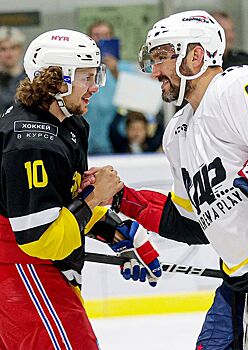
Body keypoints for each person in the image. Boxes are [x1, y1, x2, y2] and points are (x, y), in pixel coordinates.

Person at [83, 10, 248, 350]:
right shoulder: (177, 133)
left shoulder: (237, 86)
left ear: (195, 55)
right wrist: (121, 198)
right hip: (237, 281)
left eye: (161, 58)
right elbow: (190, 224)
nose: (154, 72)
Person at [0, 29, 161, 349]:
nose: (96, 87)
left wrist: (116, 231)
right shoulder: (30, 141)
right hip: (20, 270)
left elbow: (64, 205)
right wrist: (96, 197)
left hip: (37, 268)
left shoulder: (71, 123)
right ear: (57, 80)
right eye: (87, 77)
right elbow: (41, 238)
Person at [85, 20, 138, 154]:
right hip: (88, 137)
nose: (101, 39)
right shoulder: (84, 69)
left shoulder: (126, 69)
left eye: (106, 35)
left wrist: (115, 71)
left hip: (117, 139)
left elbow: (135, 99)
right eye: (96, 35)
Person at [0, 26, 26, 115]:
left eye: (13, 48)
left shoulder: (31, 78)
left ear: (20, 50)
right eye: (3, 49)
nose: (9, 54)